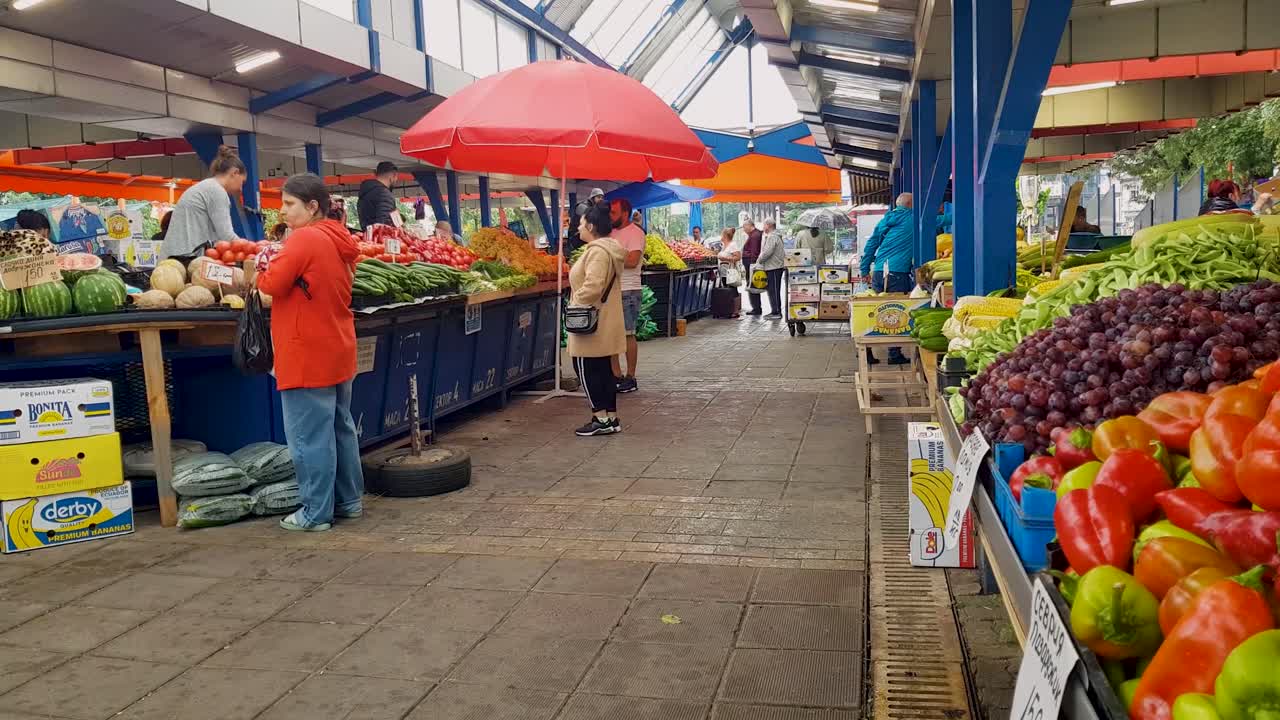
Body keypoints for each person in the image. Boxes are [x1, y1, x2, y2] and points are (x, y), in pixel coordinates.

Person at [255, 173, 362, 532]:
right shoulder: (340, 238)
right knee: (340, 428)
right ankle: (349, 501)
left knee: (308, 436)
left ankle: (315, 513)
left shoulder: (304, 240)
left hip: (305, 351)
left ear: (312, 206)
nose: (282, 211)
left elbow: (270, 283)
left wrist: (263, 262)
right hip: (338, 345)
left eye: (289, 204)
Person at [568, 203, 627, 436]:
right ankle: (610, 417)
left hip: (590, 321)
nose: (579, 229)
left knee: (585, 367)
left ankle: (599, 418)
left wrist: (576, 302)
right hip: (604, 319)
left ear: (591, 226)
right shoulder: (609, 249)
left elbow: (593, 286)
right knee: (603, 370)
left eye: (581, 224)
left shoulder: (597, 251)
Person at [160, 145, 249, 260]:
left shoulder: (206, 186)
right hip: (185, 260)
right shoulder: (216, 191)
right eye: (242, 182)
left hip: (174, 260)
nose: (241, 188)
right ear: (235, 173)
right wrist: (252, 251)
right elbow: (226, 235)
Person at [860, 192, 917, 365]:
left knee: (877, 309)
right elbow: (941, 221)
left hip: (879, 271)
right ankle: (894, 354)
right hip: (896, 273)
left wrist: (864, 269)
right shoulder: (913, 218)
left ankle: (867, 348)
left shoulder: (886, 220)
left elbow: (871, 244)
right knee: (896, 311)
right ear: (910, 204)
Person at [609, 198, 645, 393]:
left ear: (625, 213)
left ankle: (631, 376)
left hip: (628, 289)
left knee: (627, 334)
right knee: (612, 335)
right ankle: (615, 374)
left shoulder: (635, 234)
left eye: (613, 213)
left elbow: (632, 261)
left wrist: (610, 260)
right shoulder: (611, 233)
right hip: (612, 289)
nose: (610, 216)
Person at [357, 161, 401, 230]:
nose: (396, 180)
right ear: (393, 175)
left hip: (368, 236)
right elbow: (385, 225)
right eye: (396, 177)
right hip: (380, 238)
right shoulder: (384, 194)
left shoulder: (366, 192)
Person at [757, 219, 786, 317]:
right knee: (772, 289)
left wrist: (760, 259)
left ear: (768, 225)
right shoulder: (775, 236)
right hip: (774, 266)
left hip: (774, 267)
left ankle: (777, 311)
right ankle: (774, 310)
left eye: (764, 225)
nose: (763, 227)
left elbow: (768, 252)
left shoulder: (772, 236)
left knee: (774, 290)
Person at [740, 218, 764, 315]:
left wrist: (753, 265)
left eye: (744, 226)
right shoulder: (755, 234)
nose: (744, 229)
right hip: (750, 263)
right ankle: (756, 307)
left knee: (752, 285)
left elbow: (754, 251)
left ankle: (756, 308)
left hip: (751, 264)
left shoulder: (754, 235)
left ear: (750, 225)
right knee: (752, 285)